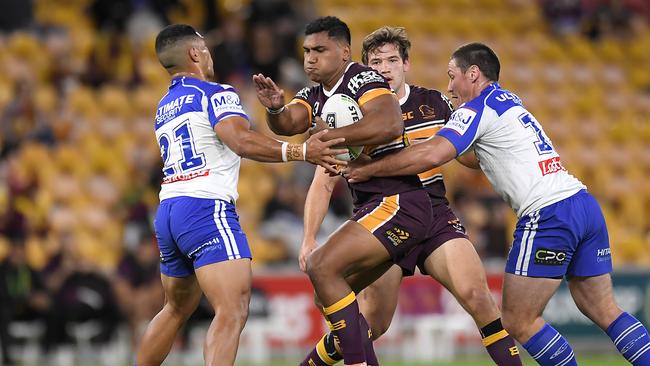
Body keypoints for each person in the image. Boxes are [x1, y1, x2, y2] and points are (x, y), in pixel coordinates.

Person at [342, 42, 650, 366]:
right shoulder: (509, 101)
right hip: (582, 204)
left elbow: (433, 155)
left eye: (452, 76)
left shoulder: (476, 109)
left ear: (473, 74)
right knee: (605, 310)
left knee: (518, 321)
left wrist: (370, 169)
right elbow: (476, 159)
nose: (449, 87)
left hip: (548, 214)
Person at [296, 26, 522, 366]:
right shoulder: (350, 112)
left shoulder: (436, 104)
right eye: (375, 63)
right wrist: (309, 237)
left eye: (391, 60)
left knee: (480, 299)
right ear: (363, 71)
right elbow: (323, 182)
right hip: (379, 215)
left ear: (407, 64)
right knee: (371, 324)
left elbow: (467, 155)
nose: (384, 68)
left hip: (434, 214)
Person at [134, 24, 347, 366]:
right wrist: (300, 151)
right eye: (205, 46)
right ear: (194, 53)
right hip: (205, 209)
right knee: (232, 309)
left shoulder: (165, 105)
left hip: (169, 210)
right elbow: (241, 140)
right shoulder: (215, 93)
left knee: (175, 308)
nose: (210, 52)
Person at [253, 16, 429, 366]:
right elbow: (290, 122)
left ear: (344, 51)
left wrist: (331, 136)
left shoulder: (363, 78)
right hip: (373, 208)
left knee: (322, 267)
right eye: (306, 51)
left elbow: (389, 122)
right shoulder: (314, 93)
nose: (310, 59)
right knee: (333, 298)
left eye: (320, 50)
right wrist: (274, 108)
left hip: (400, 200)